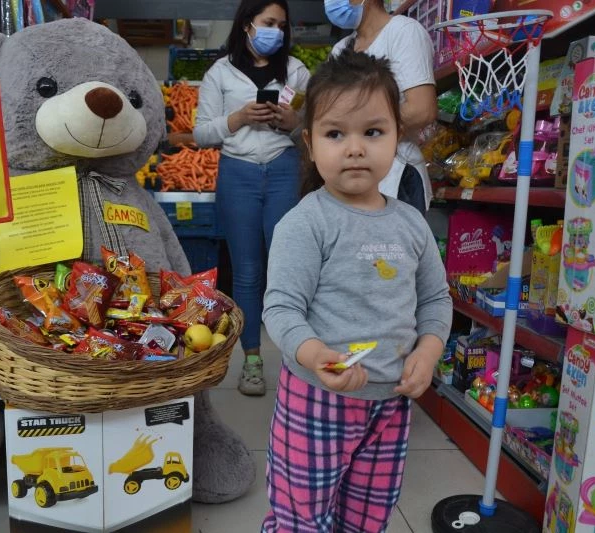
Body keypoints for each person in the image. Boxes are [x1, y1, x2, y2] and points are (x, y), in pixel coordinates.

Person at [261, 50, 452, 532]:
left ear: (397, 137)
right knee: (301, 518)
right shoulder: (306, 222)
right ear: (309, 143)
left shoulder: (412, 223)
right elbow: (282, 308)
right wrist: (314, 354)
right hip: (316, 400)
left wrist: (428, 352)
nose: (355, 148)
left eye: (373, 131)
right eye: (334, 134)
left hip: (391, 404)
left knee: (368, 518)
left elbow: (435, 300)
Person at [193, 0, 310, 396]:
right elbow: (201, 134)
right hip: (238, 174)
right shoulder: (219, 73)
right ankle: (253, 360)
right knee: (246, 272)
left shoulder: (296, 71)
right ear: (247, 25)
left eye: (281, 24)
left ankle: (299, 358)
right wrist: (238, 118)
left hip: (283, 169)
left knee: (288, 268)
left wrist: (294, 124)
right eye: (267, 22)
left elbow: (315, 131)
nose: (275, 30)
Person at [325, 0, 438, 213]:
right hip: (352, 176)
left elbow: (422, 109)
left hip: (395, 175)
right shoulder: (340, 50)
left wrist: (358, 130)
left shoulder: (403, 32)